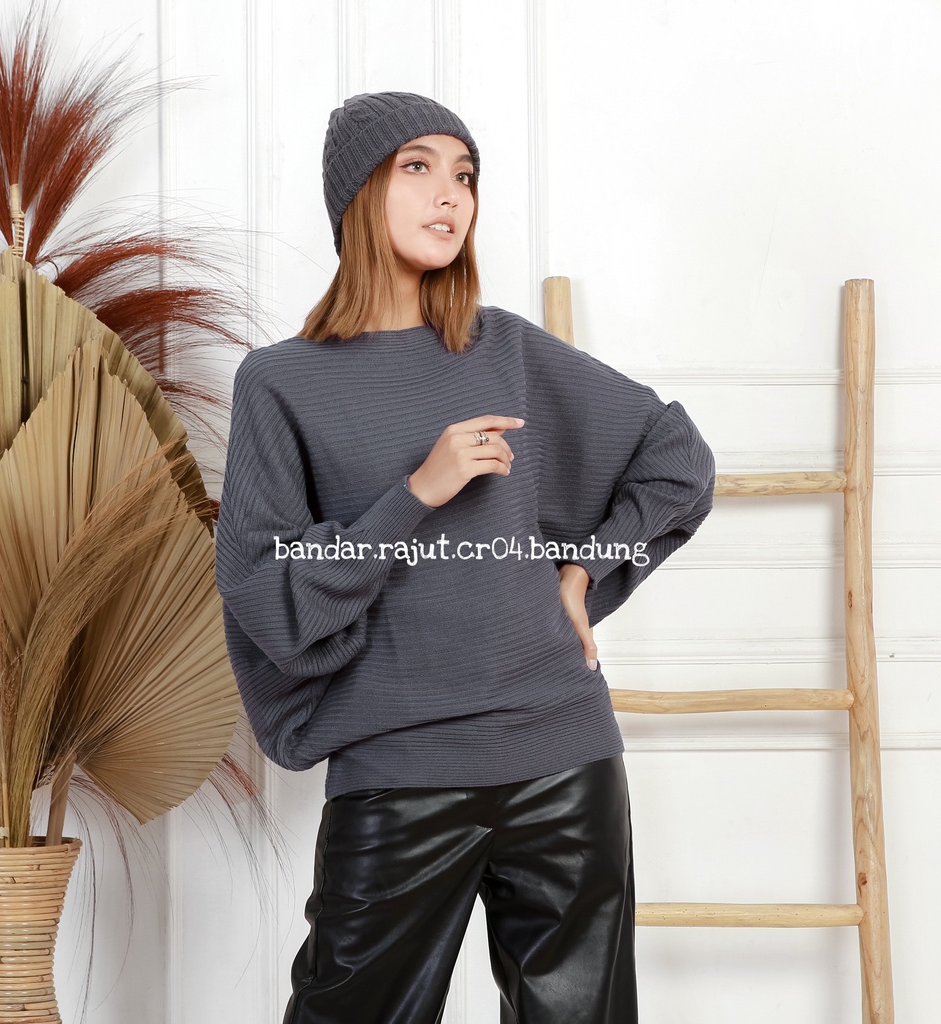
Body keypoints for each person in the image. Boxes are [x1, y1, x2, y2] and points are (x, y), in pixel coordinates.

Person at [216, 91, 716, 1024]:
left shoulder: (507, 349)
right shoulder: (280, 382)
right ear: (358, 194)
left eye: (465, 174)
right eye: (418, 167)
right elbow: (266, 592)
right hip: (399, 776)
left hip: (564, 761)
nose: (450, 194)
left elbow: (676, 459)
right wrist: (417, 491)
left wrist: (586, 574)